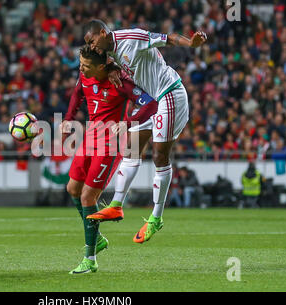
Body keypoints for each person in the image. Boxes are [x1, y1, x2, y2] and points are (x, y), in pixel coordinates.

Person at [83, 19, 207, 243]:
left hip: (170, 94)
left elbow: (167, 38)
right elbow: (113, 61)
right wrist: (111, 67)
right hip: (153, 100)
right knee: (131, 148)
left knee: (160, 155)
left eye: (92, 41)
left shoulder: (132, 38)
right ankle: (116, 205)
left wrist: (191, 43)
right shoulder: (109, 51)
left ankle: (156, 218)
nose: (91, 47)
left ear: (103, 33)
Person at [61, 45, 157, 274]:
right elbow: (77, 94)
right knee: (72, 188)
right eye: (81, 64)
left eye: (86, 65)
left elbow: (151, 104)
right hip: (90, 138)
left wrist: (129, 122)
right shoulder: (85, 75)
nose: (81, 69)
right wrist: (68, 118)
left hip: (109, 145)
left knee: (87, 196)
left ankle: (90, 257)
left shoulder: (120, 83)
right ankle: (98, 238)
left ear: (102, 66)